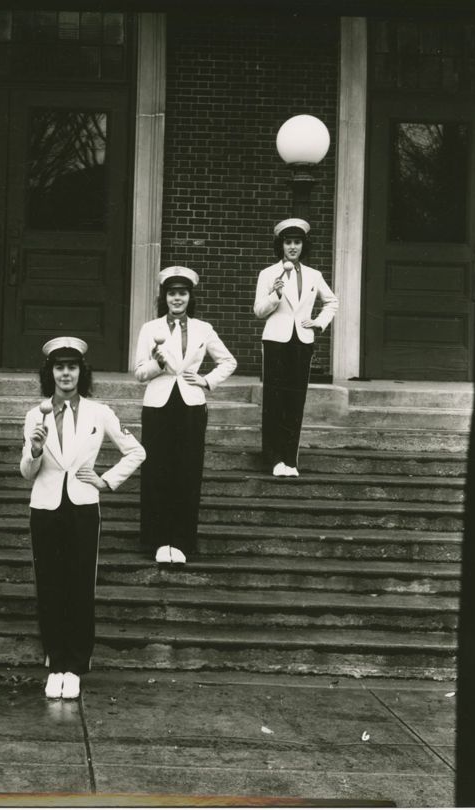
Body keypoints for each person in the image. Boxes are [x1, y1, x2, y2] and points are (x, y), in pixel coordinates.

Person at [20, 337, 145, 700]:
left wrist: (106, 481)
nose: (66, 374)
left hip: (83, 506)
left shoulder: (98, 412)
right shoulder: (36, 414)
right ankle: (54, 661)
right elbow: (27, 472)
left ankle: (75, 664)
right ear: (50, 373)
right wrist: (35, 449)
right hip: (44, 507)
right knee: (49, 584)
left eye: (72, 367)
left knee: (78, 585)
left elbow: (136, 451)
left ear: (81, 372)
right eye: (59, 368)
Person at [134, 266, 237, 565]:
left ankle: (180, 541)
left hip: (191, 405)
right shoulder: (150, 328)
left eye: (182, 293)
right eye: (171, 293)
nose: (176, 298)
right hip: (158, 405)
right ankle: (157, 540)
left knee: (187, 471)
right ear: (164, 297)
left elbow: (228, 361)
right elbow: (140, 373)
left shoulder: (203, 328)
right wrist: (157, 364)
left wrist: (206, 381)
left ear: (190, 297)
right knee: (156, 470)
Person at [253, 218, 338, 477]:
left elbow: (332, 302)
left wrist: (318, 323)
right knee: (274, 399)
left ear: (303, 245)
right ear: (280, 245)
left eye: (297, 242)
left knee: (295, 400)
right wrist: (275, 295)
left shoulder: (314, 275)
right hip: (276, 341)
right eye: (288, 242)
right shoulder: (268, 274)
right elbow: (259, 311)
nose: (292, 247)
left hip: (302, 342)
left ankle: (290, 460)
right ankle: (274, 458)